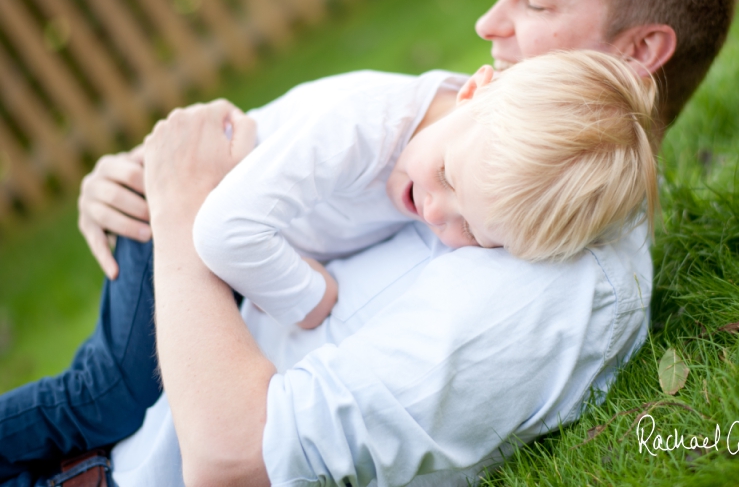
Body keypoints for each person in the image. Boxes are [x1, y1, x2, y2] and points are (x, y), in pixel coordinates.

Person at [0, 0, 737, 485]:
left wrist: (177, 215)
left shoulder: (550, 285)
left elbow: (236, 463)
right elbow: (216, 162)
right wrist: (134, 180)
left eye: (535, 2)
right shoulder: (449, 116)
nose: (487, 24)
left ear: (639, 53)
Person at [193, 52, 658, 329]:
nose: (437, 213)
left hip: (229, 252)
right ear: (473, 91)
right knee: (118, 396)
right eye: (448, 175)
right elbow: (221, 231)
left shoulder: (467, 143)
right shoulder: (357, 127)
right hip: (165, 228)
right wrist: (312, 300)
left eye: (474, 233)